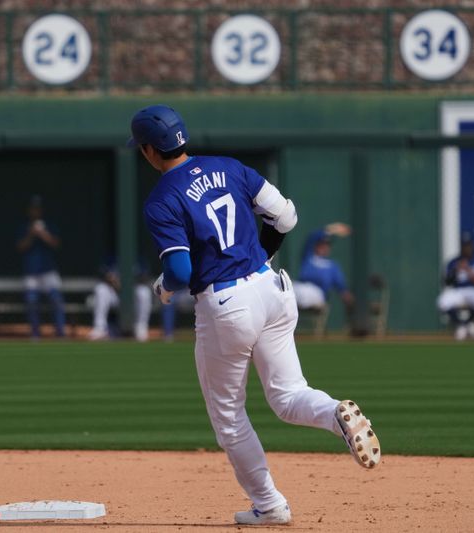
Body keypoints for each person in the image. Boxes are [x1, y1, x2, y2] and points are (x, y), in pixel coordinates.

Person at [132, 104, 381, 525]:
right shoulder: (229, 167)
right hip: (272, 288)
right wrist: (258, 256)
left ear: (147, 151)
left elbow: (179, 270)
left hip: (227, 306)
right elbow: (286, 216)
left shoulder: (161, 199)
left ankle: (269, 505)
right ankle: (336, 414)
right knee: (287, 396)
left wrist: (163, 286)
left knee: (229, 419)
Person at [16, 195, 65, 338]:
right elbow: (20, 247)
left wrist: (43, 234)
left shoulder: (49, 225)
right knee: (31, 301)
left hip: (48, 271)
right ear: (29, 210)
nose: (35, 212)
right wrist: (31, 234)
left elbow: (56, 244)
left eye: (37, 209)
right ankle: (35, 334)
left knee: (56, 300)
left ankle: (60, 333)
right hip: (31, 273)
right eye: (33, 209)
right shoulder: (23, 226)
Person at [437, 232, 474, 340]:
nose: (466, 248)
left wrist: (468, 271)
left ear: (472, 245)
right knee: (442, 302)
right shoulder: (454, 262)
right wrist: (454, 271)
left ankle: (467, 323)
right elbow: (447, 282)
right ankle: (463, 325)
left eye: (468, 245)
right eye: (464, 245)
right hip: (459, 291)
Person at [293, 222, 354, 312]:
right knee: (287, 288)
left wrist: (350, 300)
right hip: (301, 287)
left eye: (327, 245)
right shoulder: (309, 256)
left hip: (317, 294)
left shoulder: (332, 266)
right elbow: (312, 237)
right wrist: (332, 229)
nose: (324, 247)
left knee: (299, 293)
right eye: (321, 244)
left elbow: (341, 287)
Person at [88, 262, 152, 342]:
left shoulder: (140, 259)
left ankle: (141, 327)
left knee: (144, 291)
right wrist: (114, 280)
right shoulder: (110, 258)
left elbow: (144, 275)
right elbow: (104, 273)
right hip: (114, 293)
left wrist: (129, 281)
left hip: (133, 293)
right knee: (101, 289)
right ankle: (100, 328)